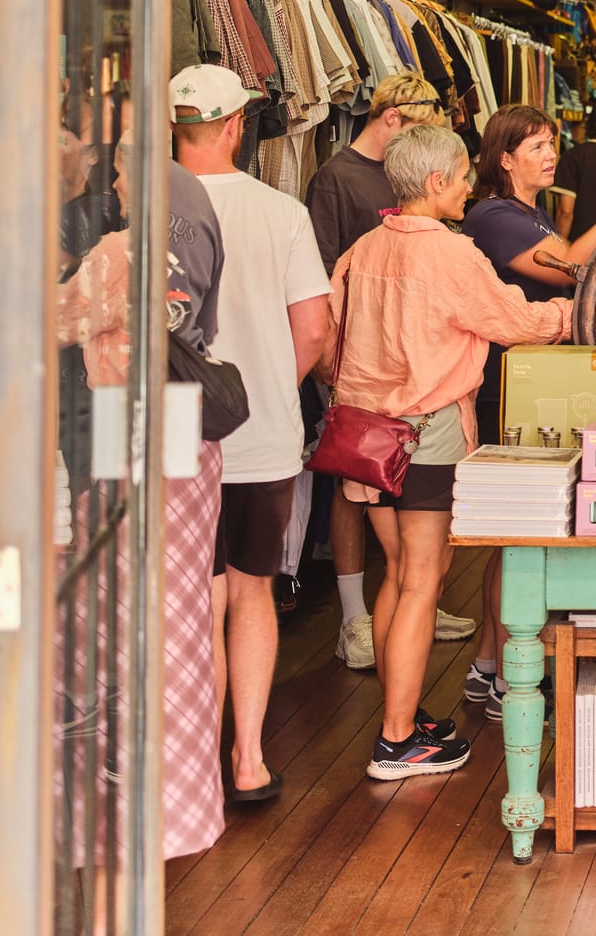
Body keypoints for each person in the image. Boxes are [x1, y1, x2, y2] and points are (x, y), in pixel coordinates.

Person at [325, 124, 574, 779]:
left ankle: (398, 716)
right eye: (463, 176)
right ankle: (398, 740)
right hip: (426, 432)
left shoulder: (361, 250)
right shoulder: (454, 254)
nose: (469, 186)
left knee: (399, 575)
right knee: (422, 581)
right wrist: (568, 317)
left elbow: (329, 345)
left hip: (362, 432)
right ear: (435, 183)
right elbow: (514, 323)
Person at [459, 106, 596, 711]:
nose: (551, 155)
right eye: (537, 147)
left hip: (532, 379)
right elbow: (572, 267)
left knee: (516, 535)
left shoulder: (525, 211)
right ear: (505, 160)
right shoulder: (495, 216)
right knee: (518, 533)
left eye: (553, 144)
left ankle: (486, 663)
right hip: (513, 385)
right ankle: (508, 677)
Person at [53, 138, 228, 859]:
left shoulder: (120, 253)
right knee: (182, 608)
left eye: (123, 172)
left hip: (125, 423)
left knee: (117, 613)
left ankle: (127, 811)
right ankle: (186, 804)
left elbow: (54, 323)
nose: (116, 184)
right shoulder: (201, 235)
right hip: (189, 425)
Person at [170, 66, 332, 802]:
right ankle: (248, 760)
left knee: (194, 596)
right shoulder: (281, 212)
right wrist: (266, 386)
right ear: (237, 125)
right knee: (253, 592)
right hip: (261, 428)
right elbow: (315, 331)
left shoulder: (138, 208)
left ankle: (195, 764)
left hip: (173, 432)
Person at [302, 71, 475, 668]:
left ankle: (397, 629)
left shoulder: (407, 206)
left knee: (405, 569)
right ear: (395, 116)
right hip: (375, 381)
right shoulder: (336, 179)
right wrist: (330, 367)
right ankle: (358, 622)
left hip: (391, 375)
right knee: (403, 557)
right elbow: (322, 286)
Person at [551, 97, 596, 239]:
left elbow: (565, 212)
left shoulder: (572, 156)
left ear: (588, 123)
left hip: (578, 245)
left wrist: (559, 250)